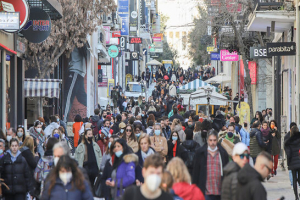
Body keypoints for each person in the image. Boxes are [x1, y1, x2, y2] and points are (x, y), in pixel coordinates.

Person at [192, 130, 229, 199]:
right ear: (207, 140)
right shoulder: (200, 153)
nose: (212, 143)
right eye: (210, 140)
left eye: (214, 140)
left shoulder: (223, 153)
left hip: (220, 192)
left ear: (217, 140)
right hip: (205, 192)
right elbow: (196, 173)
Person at [284, 125, 300, 199]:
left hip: (293, 163)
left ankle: (296, 196)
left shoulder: (288, 142)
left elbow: (289, 154)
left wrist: (289, 163)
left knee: (294, 179)